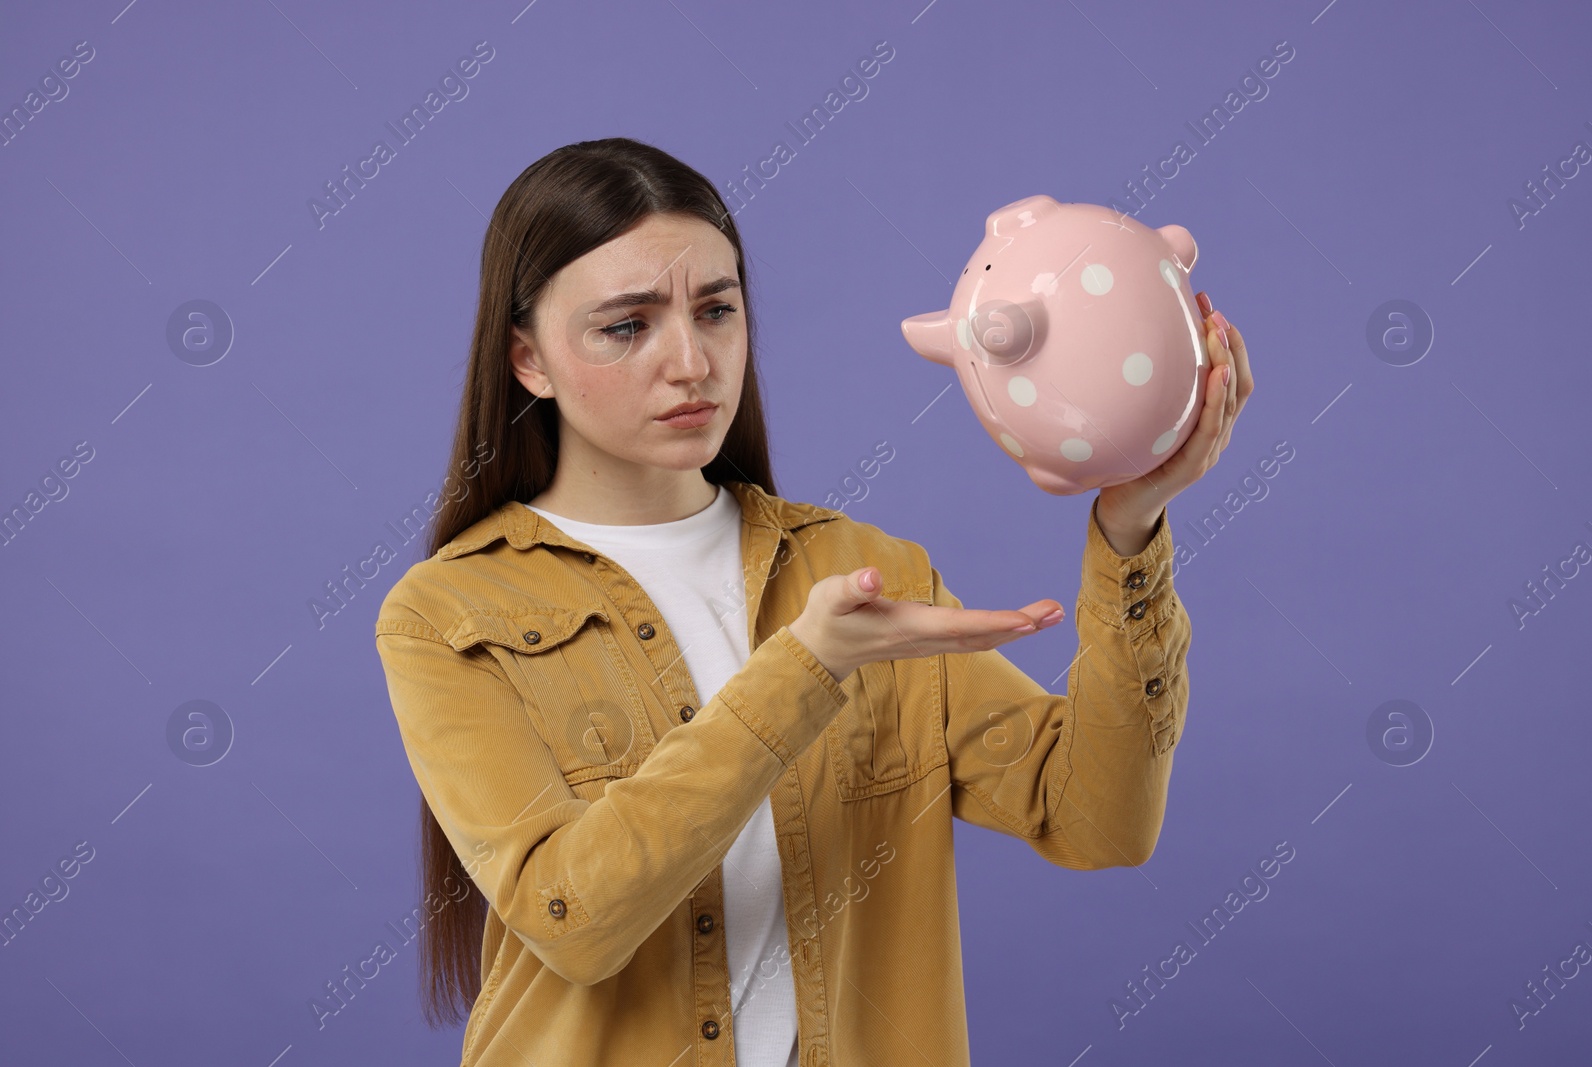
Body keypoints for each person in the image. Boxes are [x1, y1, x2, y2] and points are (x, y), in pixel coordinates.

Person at [373, 136, 1251, 1067]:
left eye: (716, 310)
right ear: (528, 359)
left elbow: (1099, 819)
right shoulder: (448, 611)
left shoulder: (861, 567)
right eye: (626, 326)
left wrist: (1131, 526)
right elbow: (575, 918)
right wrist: (807, 668)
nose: (692, 361)